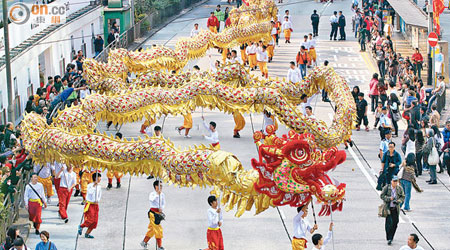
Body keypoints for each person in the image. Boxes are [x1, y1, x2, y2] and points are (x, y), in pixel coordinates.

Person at [141, 180, 165, 250]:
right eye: (159, 186)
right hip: (153, 214)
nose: (161, 187)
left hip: (158, 213)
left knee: (152, 230)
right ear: (155, 186)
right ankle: (160, 246)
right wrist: (157, 194)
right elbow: (152, 199)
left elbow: (163, 203)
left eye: (161, 186)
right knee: (158, 229)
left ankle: (144, 242)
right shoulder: (152, 194)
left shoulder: (162, 194)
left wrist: (162, 208)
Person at [380, 176, 404, 245]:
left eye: (396, 181)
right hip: (388, 208)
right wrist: (389, 199)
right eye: (394, 181)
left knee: (395, 223)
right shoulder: (387, 188)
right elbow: (382, 196)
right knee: (388, 223)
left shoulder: (399, 188)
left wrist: (398, 201)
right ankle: (389, 238)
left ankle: (392, 236)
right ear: (391, 181)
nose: (395, 183)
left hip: (395, 208)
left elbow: (402, 196)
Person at [78, 172, 102, 238]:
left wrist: (98, 200)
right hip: (90, 205)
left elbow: (99, 195)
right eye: (99, 177)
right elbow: (90, 193)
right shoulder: (90, 185)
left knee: (95, 221)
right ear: (95, 178)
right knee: (90, 219)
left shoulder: (99, 187)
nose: (100, 179)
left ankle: (87, 233)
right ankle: (81, 226)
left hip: (95, 205)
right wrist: (94, 186)